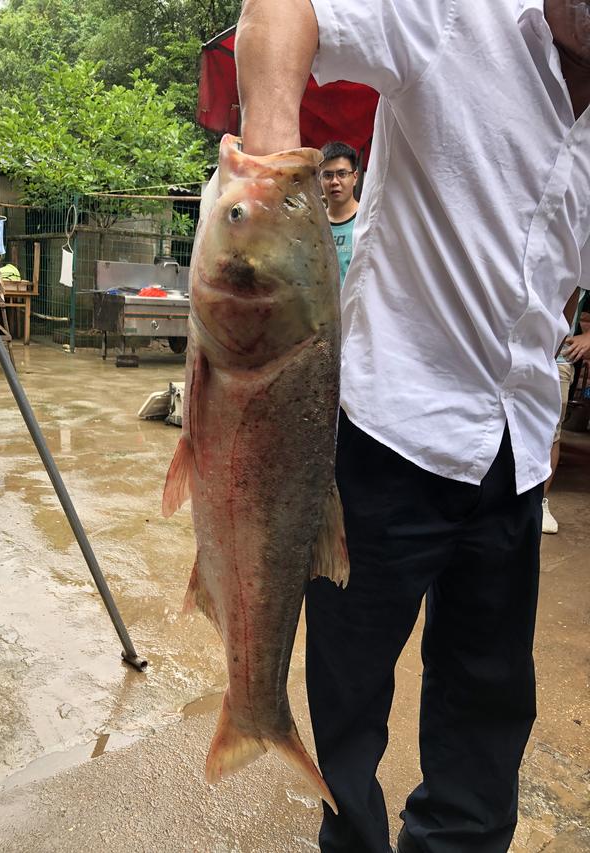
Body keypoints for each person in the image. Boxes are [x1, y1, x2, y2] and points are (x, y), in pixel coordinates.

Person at [235, 2, 590, 852]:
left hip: (513, 453)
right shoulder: (456, 18)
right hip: (386, 429)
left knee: (488, 702)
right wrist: (270, 169)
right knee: (348, 699)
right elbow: (280, 11)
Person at [543, 287, 590, 533]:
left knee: (551, 431)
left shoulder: (579, 258)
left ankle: (538, 502)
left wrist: (587, 337)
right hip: (505, 351)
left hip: (558, 359)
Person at [319, 141, 360, 286]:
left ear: (355, 177)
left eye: (342, 174)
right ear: (320, 179)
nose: (334, 181)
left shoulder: (367, 221)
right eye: (328, 175)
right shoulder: (313, 223)